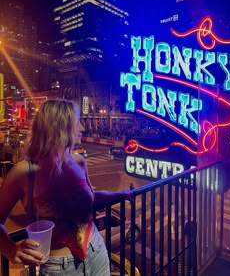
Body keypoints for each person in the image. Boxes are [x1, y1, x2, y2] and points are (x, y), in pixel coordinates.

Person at [0, 99, 133, 276]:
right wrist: (11, 250)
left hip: (96, 250)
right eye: (78, 122)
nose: (82, 129)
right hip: (59, 267)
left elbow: (90, 198)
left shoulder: (79, 161)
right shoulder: (24, 172)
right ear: (60, 127)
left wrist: (120, 195)